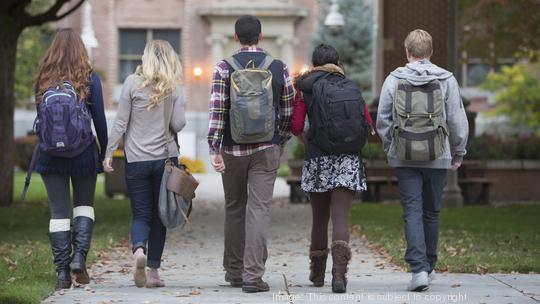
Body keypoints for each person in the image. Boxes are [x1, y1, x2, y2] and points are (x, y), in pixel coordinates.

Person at [376, 29, 468, 291]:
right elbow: (456, 119)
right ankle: (429, 266)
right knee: (432, 212)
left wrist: (391, 146)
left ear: (407, 51)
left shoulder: (394, 79)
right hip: (439, 155)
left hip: (404, 157)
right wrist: (458, 151)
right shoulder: (446, 79)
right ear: (431, 52)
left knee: (412, 211)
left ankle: (418, 271)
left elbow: (383, 119)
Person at [207, 15, 294, 293]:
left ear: (235, 38)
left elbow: (218, 110)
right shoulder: (279, 67)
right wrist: (279, 139)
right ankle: (253, 276)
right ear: (261, 36)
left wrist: (214, 148)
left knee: (234, 208)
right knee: (258, 209)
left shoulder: (223, 67)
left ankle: (234, 272)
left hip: (233, 149)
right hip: (267, 149)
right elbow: (289, 109)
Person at [103, 40, 186, 288]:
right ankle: (153, 272)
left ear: (146, 57)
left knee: (140, 214)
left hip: (136, 160)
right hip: (165, 161)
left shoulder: (131, 82)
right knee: (159, 217)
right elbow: (179, 124)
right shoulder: (174, 87)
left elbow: (120, 122)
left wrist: (108, 153)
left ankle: (138, 250)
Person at [293, 44, 372, 293]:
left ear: (314, 63)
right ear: (337, 62)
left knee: (319, 219)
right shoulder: (349, 86)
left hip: (318, 159)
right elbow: (367, 124)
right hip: (348, 159)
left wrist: (309, 139)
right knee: (341, 217)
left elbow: (295, 124)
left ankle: (317, 275)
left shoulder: (306, 87)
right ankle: (339, 276)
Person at [33, 28, 108, 289]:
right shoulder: (89, 79)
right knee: (84, 206)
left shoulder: (42, 79)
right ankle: (79, 257)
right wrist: (105, 151)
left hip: (49, 154)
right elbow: (99, 120)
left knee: (59, 211)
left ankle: (62, 274)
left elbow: (41, 121)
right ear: (80, 49)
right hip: (83, 152)